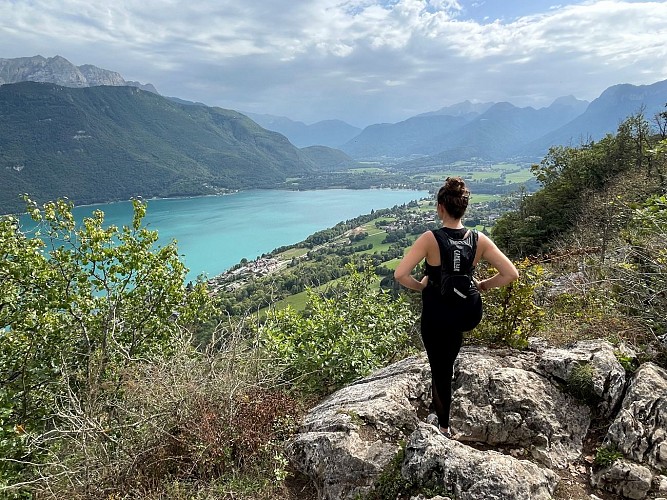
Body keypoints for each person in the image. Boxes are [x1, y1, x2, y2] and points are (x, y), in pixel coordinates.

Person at [394, 177, 518, 438]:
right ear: (464, 208)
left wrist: (423, 286)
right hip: (466, 312)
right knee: (448, 355)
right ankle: (441, 405)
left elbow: (400, 275)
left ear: (441, 207)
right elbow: (510, 274)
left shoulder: (430, 239)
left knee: (439, 368)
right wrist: (482, 285)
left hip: (437, 312)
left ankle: (443, 426)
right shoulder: (478, 239)